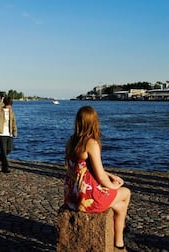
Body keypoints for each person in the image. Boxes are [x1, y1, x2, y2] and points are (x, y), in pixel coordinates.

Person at [64, 106, 131, 250]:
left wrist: (111, 175)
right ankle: (119, 242)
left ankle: (120, 234)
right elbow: (100, 176)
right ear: (94, 122)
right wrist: (114, 185)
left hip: (71, 197)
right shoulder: (91, 143)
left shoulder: (71, 141)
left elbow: (84, 168)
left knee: (121, 206)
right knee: (126, 193)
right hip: (87, 198)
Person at [0, 96, 17, 173]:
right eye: (8, 104)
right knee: (3, 151)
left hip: (9, 133)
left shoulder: (11, 111)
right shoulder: (0, 110)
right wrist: (1, 102)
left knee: (9, 149)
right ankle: (5, 168)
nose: (9, 106)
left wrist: (14, 131)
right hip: (1, 133)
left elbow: (13, 121)